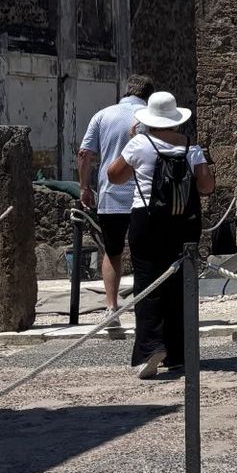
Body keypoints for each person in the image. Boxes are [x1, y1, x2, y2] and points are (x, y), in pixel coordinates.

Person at [105, 90, 214, 379]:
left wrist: (133, 144)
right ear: (176, 119)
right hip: (184, 223)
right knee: (180, 286)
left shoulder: (140, 143)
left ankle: (151, 348)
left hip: (148, 220)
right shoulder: (191, 148)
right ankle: (179, 353)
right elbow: (206, 187)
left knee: (147, 284)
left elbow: (114, 176)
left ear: (149, 120)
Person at [77, 76, 152, 337]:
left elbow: (84, 153)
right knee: (147, 252)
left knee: (112, 251)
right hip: (145, 193)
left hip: (111, 193)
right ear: (148, 95)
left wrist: (84, 187)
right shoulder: (150, 116)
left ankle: (111, 308)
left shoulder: (102, 115)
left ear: (126, 92)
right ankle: (147, 309)